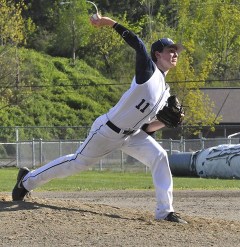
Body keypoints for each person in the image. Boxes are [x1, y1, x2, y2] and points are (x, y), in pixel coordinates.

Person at [12, 15, 187, 224]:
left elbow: (148, 128)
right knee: (76, 163)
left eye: (176, 50)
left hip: (132, 135)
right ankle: (26, 181)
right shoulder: (148, 72)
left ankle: (165, 212)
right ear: (158, 54)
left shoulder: (166, 93)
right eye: (170, 50)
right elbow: (138, 43)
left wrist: (168, 122)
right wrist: (109, 22)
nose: (175, 53)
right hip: (107, 131)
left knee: (159, 156)